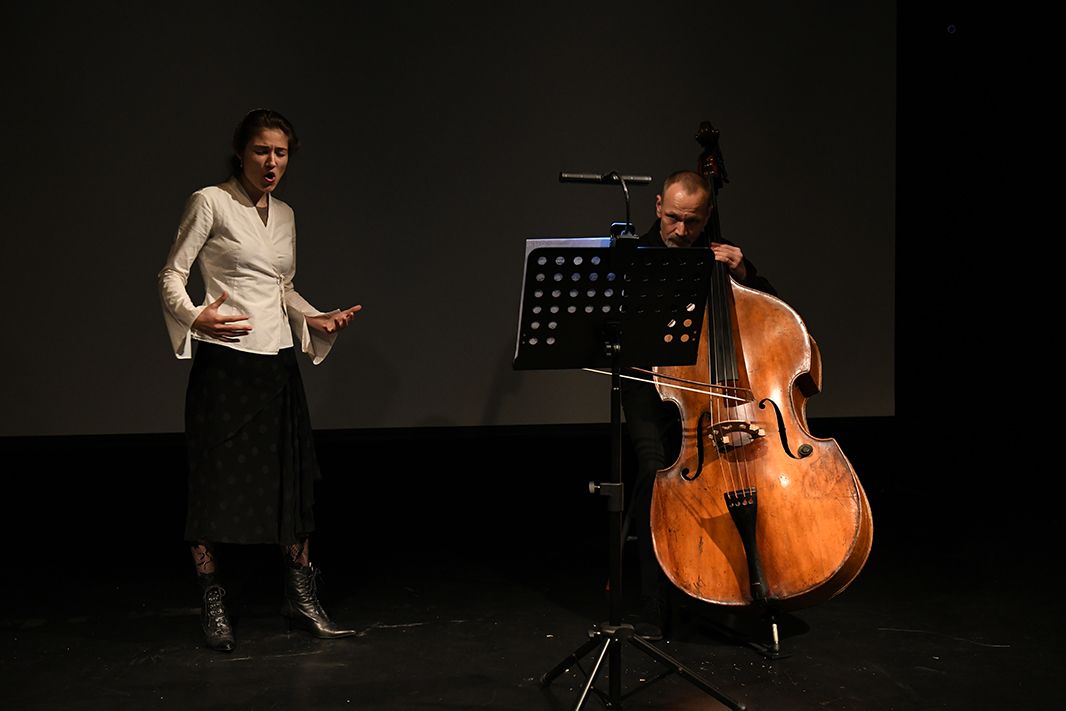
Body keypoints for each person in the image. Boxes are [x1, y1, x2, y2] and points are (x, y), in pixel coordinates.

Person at [158, 109, 362, 652]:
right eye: (261, 151)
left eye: (281, 153)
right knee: (212, 485)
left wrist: (315, 318)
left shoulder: (286, 214)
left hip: (275, 364)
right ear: (241, 152)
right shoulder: (211, 201)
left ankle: (300, 597)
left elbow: (281, 287)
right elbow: (172, 273)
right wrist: (195, 316)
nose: (271, 162)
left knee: (291, 483)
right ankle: (213, 600)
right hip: (226, 365)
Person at [620, 170, 776, 641]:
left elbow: (770, 315)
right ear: (657, 208)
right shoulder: (636, 256)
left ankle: (736, 585)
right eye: (673, 218)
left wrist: (745, 273)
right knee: (655, 474)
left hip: (709, 391)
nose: (681, 230)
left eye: (692, 221)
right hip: (650, 387)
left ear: (707, 216)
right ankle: (653, 607)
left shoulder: (719, 257)